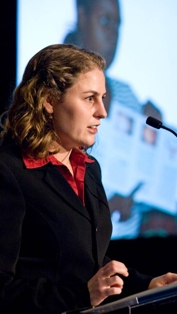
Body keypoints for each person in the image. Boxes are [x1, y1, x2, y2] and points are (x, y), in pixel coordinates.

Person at [0, 43, 177, 314]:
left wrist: (146, 284)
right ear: (49, 100)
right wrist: (81, 296)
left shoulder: (89, 168)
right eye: (89, 98)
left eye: (103, 98)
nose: (102, 112)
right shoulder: (9, 172)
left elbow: (88, 262)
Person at [63, 0, 166, 239]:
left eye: (118, 25)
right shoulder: (57, 98)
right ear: (81, 16)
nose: (112, 34)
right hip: (80, 260)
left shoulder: (129, 96)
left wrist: (156, 142)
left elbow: (142, 184)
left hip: (132, 252)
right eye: (105, 21)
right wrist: (106, 210)